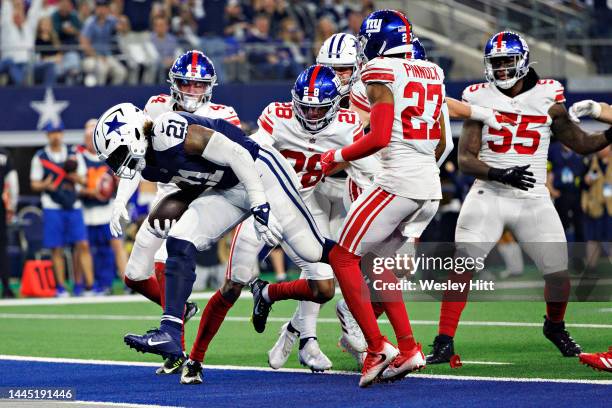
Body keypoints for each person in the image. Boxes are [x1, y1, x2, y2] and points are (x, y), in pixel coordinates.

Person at [93, 101, 334, 383]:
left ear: (133, 134)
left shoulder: (169, 130)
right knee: (179, 239)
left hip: (259, 174)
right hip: (227, 189)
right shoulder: (150, 168)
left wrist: (259, 205)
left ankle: (359, 264)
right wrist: (179, 201)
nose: (117, 164)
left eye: (117, 154)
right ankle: (170, 332)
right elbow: (200, 176)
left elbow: (236, 153)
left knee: (314, 251)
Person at [425, 31, 612, 365]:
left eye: (507, 61)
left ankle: (554, 326)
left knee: (558, 274)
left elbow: (582, 143)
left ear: (523, 61)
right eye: (495, 62)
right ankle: (443, 340)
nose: (500, 69)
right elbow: (467, 158)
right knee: (462, 266)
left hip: (533, 196)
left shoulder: (548, 96)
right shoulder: (478, 96)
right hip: (490, 193)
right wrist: (499, 173)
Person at [194, 65, 373, 378]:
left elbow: (367, 172)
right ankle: (194, 359)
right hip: (261, 202)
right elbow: (248, 151)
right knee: (232, 285)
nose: (312, 116)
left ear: (334, 105)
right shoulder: (278, 115)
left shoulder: (348, 126)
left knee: (323, 287)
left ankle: (270, 298)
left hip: (298, 207)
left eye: (319, 109)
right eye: (305, 108)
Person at [319, 10, 448, 387]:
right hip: (429, 183)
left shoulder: (379, 71)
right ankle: (408, 348)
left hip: (398, 181)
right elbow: (440, 140)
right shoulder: (433, 71)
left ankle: (376, 346)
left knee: (342, 256)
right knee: (378, 266)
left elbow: (376, 139)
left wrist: (336, 157)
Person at [111, 50, 240, 374]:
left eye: (199, 85)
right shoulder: (155, 106)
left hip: (202, 196)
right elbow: (134, 156)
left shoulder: (224, 114)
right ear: (174, 84)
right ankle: (179, 313)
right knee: (135, 274)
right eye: (187, 83)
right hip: (166, 194)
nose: (193, 91)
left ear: (209, 87)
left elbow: (237, 164)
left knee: (168, 258)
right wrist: (120, 200)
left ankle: (174, 342)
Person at [30, 121, 95, 297]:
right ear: (47, 135)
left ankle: (87, 285)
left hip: (73, 205)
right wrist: (45, 185)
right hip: (52, 206)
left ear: (62, 133)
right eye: (52, 132)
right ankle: (60, 287)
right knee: (56, 247)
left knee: (82, 244)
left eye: (58, 132)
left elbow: (84, 179)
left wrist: (73, 176)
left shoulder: (74, 154)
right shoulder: (40, 156)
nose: (56, 135)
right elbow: (34, 183)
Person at [79, 119, 127, 294]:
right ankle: (87, 285)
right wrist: (92, 191)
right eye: (88, 137)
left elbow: (123, 179)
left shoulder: (110, 156)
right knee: (84, 247)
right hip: (86, 210)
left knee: (116, 244)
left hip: (108, 210)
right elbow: (75, 184)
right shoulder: (77, 156)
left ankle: (128, 282)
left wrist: (114, 184)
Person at [0, 148, 18, 298]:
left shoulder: (4, 155)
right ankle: (6, 289)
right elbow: (13, 182)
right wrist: (11, 206)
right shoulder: (4, 154)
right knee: (2, 249)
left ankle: (6, 287)